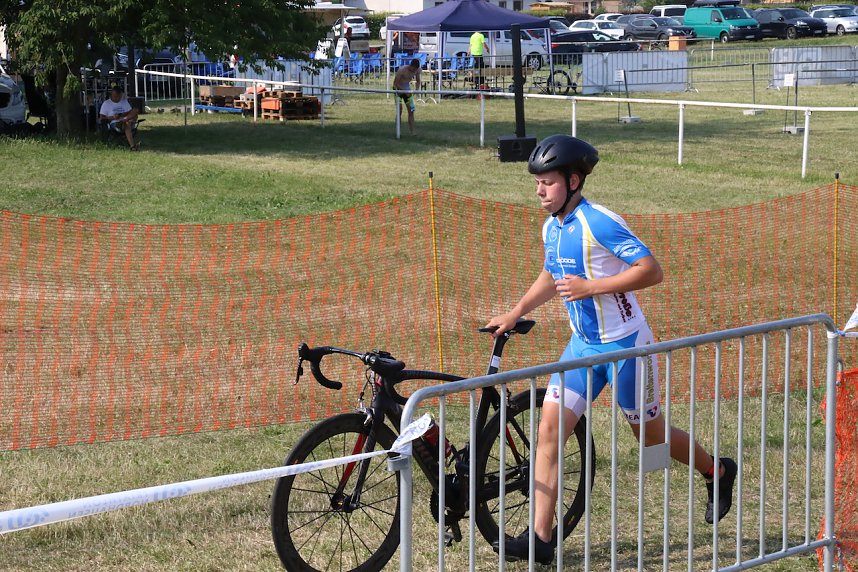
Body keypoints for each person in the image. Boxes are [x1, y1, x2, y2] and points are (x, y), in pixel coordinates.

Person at [487, 135, 738, 565]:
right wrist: (515, 312)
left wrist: (593, 287)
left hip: (628, 347)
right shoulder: (553, 226)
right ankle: (542, 540)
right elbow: (553, 273)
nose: (539, 190)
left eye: (547, 182)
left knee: (650, 439)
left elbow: (651, 270)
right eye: (537, 183)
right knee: (549, 430)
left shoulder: (598, 222)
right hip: (583, 347)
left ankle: (716, 469)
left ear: (573, 180)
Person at [98, 85, 139, 150]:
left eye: (119, 97)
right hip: (115, 123)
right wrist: (113, 117)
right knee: (126, 123)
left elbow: (131, 112)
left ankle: (125, 120)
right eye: (115, 96)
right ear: (111, 95)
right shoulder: (106, 104)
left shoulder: (124, 101)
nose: (117, 98)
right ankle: (132, 146)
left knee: (135, 110)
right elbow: (101, 118)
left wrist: (124, 115)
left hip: (125, 119)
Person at [392, 58, 421, 135]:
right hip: (398, 89)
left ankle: (412, 131)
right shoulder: (402, 70)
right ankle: (398, 131)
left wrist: (416, 90)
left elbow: (418, 81)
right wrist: (404, 91)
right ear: (410, 66)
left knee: (411, 110)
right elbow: (395, 83)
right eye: (413, 69)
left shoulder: (418, 70)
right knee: (400, 110)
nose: (414, 71)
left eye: (415, 69)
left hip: (407, 89)